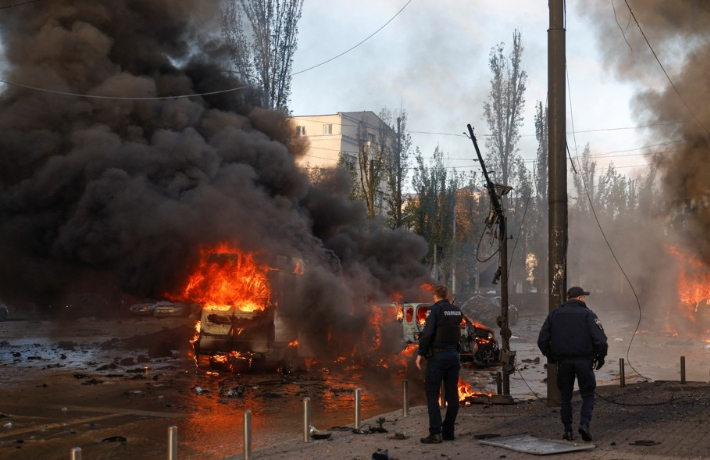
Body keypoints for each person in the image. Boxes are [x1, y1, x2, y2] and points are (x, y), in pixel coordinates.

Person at [537, 286, 608, 442]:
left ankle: (568, 430)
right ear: (581, 298)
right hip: (584, 361)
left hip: (563, 362)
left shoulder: (554, 315)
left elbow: (542, 340)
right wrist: (601, 357)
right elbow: (601, 340)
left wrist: (551, 356)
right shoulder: (588, 315)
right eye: (584, 297)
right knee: (588, 394)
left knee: (566, 396)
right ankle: (584, 424)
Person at [416, 285, 462, 443]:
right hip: (454, 356)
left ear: (435, 296)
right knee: (452, 396)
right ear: (447, 296)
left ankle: (435, 433)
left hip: (438, 356)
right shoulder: (456, 310)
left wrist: (420, 353)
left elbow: (428, 333)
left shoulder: (435, 310)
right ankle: (449, 432)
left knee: (432, 394)